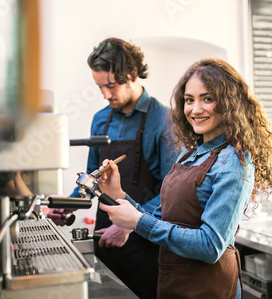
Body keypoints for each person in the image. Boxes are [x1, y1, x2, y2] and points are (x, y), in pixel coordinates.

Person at [97, 58, 272, 298]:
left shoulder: (234, 161)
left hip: (209, 288)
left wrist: (136, 222)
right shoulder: (191, 154)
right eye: (189, 100)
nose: (195, 109)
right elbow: (163, 217)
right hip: (174, 282)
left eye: (207, 98)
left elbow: (210, 246)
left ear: (229, 103)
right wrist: (119, 195)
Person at [52, 38, 178, 298]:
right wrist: (68, 205)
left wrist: (130, 224)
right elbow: (91, 180)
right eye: (100, 87)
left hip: (146, 244)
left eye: (111, 85)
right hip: (104, 238)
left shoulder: (164, 120)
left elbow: (172, 193)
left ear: (132, 74)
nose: (106, 95)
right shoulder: (100, 119)